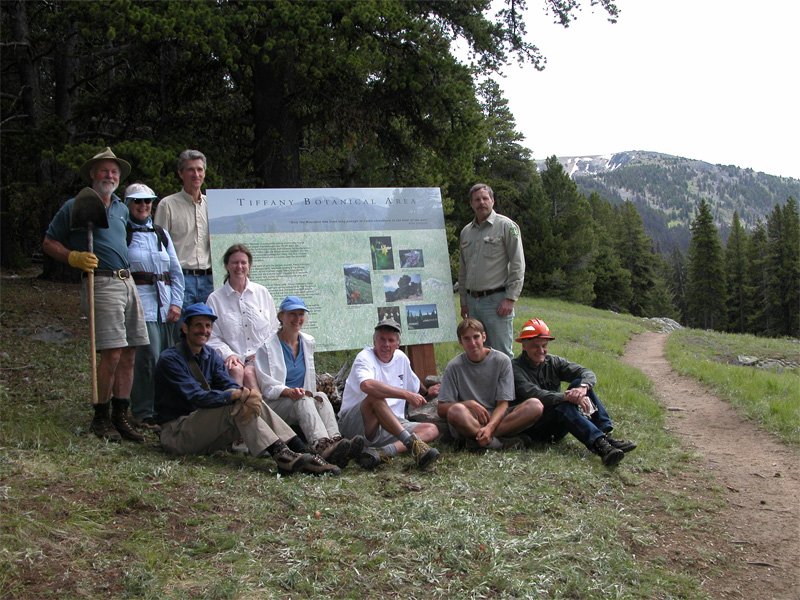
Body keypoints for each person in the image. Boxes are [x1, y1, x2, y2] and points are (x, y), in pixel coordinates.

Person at [153, 303, 340, 475]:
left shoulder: (210, 355)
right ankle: (282, 454)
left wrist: (242, 393)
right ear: (185, 328)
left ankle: (300, 451)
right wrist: (234, 395)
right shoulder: (171, 359)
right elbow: (196, 396)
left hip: (207, 433)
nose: (204, 331)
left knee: (249, 400)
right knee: (236, 405)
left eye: (208, 326)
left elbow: (229, 384)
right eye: (198, 325)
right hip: (178, 433)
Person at [42, 147, 149, 442]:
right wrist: (74, 257)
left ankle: (120, 417)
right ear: (93, 174)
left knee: (129, 352)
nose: (110, 175)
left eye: (114, 171)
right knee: (112, 352)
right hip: (101, 284)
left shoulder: (121, 208)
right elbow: (49, 242)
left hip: (127, 283)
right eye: (104, 171)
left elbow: (124, 237)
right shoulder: (75, 206)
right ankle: (100, 418)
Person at [254, 296, 365, 468]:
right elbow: (267, 387)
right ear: (281, 316)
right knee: (304, 398)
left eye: (300, 314)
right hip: (275, 406)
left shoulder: (307, 342)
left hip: (300, 401)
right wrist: (288, 391)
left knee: (320, 395)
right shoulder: (266, 348)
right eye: (292, 314)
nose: (297, 319)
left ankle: (336, 441)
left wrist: (302, 394)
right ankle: (321, 446)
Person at [511, 318, 637, 466]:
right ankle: (601, 446)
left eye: (544, 346)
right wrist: (567, 397)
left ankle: (606, 435)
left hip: (557, 422)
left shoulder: (553, 362)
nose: (541, 350)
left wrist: (582, 388)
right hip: (535, 428)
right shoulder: (515, 368)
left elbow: (586, 372)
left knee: (579, 383)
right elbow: (535, 394)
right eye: (535, 346)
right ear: (524, 345)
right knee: (561, 405)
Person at [338, 317, 441, 469]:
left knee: (431, 429)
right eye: (382, 339)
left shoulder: (401, 358)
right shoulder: (364, 357)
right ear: (374, 341)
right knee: (376, 396)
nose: (386, 345)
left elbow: (413, 384)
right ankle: (413, 444)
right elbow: (367, 385)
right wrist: (406, 395)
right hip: (358, 424)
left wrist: (427, 393)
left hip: (392, 423)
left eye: (391, 340)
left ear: (397, 344)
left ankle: (382, 452)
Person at [124, 182, 185, 431]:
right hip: (141, 304)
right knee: (147, 357)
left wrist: (176, 303)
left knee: (166, 358)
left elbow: (175, 270)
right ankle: (143, 411)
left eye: (147, 201)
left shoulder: (160, 233)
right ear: (128, 204)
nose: (143, 206)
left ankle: (163, 408)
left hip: (165, 305)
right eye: (137, 201)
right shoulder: (123, 232)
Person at [437, 318, 542, 450]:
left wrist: (490, 427)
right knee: (455, 410)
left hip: (498, 418)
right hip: (470, 419)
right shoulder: (453, 366)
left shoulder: (502, 360)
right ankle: (498, 444)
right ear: (460, 342)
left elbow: (503, 403)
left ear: (484, 336)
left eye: (476, 337)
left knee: (535, 405)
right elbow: (441, 409)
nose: (473, 343)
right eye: (466, 339)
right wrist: (468, 404)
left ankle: (480, 440)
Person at [458, 183, 525, 358]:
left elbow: (518, 264)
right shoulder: (466, 232)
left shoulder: (506, 227)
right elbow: (463, 269)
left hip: (497, 302)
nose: (481, 202)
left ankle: (506, 386)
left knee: (501, 354)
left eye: (485, 198)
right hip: (473, 303)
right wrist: (464, 301)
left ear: (493, 201)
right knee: (477, 352)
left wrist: (510, 298)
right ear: (471, 204)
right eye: (477, 199)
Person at [206, 244, 278, 389]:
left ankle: (257, 410)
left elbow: (275, 328)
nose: (239, 266)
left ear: (249, 266)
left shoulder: (262, 293)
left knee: (250, 373)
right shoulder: (215, 299)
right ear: (227, 266)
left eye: (243, 262)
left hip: (262, 356)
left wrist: (261, 353)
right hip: (233, 360)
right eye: (234, 262)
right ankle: (240, 408)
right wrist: (229, 355)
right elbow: (212, 336)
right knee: (237, 371)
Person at [153, 149, 213, 311]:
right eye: (190, 169)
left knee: (209, 333)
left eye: (200, 169)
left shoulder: (213, 205)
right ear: (181, 173)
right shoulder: (167, 205)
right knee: (182, 331)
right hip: (180, 280)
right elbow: (158, 247)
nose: (196, 174)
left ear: (204, 173)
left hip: (210, 280)